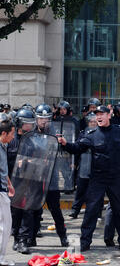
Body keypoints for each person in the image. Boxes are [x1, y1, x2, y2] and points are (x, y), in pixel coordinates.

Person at [58, 105, 120, 251]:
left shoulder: (119, 132)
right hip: (97, 178)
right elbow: (78, 147)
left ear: (109, 115)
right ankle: (85, 242)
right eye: (96, 114)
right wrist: (66, 144)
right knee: (91, 210)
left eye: (102, 114)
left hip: (115, 178)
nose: (99, 117)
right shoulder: (91, 135)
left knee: (119, 209)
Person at [33, 104, 69, 248]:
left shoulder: (55, 133)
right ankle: (31, 236)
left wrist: (62, 143)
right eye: (40, 118)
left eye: (46, 118)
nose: (43, 121)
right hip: (35, 176)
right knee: (34, 208)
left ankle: (63, 236)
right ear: (36, 119)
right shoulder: (32, 134)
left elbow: (63, 154)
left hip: (51, 176)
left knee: (55, 209)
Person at [8, 108, 36, 254]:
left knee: (28, 211)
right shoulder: (10, 141)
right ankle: (16, 239)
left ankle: (24, 240)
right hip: (12, 183)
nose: (30, 126)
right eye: (27, 123)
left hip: (27, 181)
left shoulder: (31, 142)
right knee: (15, 212)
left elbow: (36, 160)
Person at [69, 112, 97, 219]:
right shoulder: (83, 133)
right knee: (80, 191)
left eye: (95, 121)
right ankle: (75, 211)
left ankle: (96, 213)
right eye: (91, 121)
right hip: (84, 165)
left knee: (94, 193)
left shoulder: (99, 133)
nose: (93, 123)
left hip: (95, 166)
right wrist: (74, 163)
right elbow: (77, 148)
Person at [0, 113, 16, 266]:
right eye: (11, 134)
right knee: (5, 225)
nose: (13, 138)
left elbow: (3, 170)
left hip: (3, 188)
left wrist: (9, 184)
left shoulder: (3, 146)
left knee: (5, 225)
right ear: (3, 133)